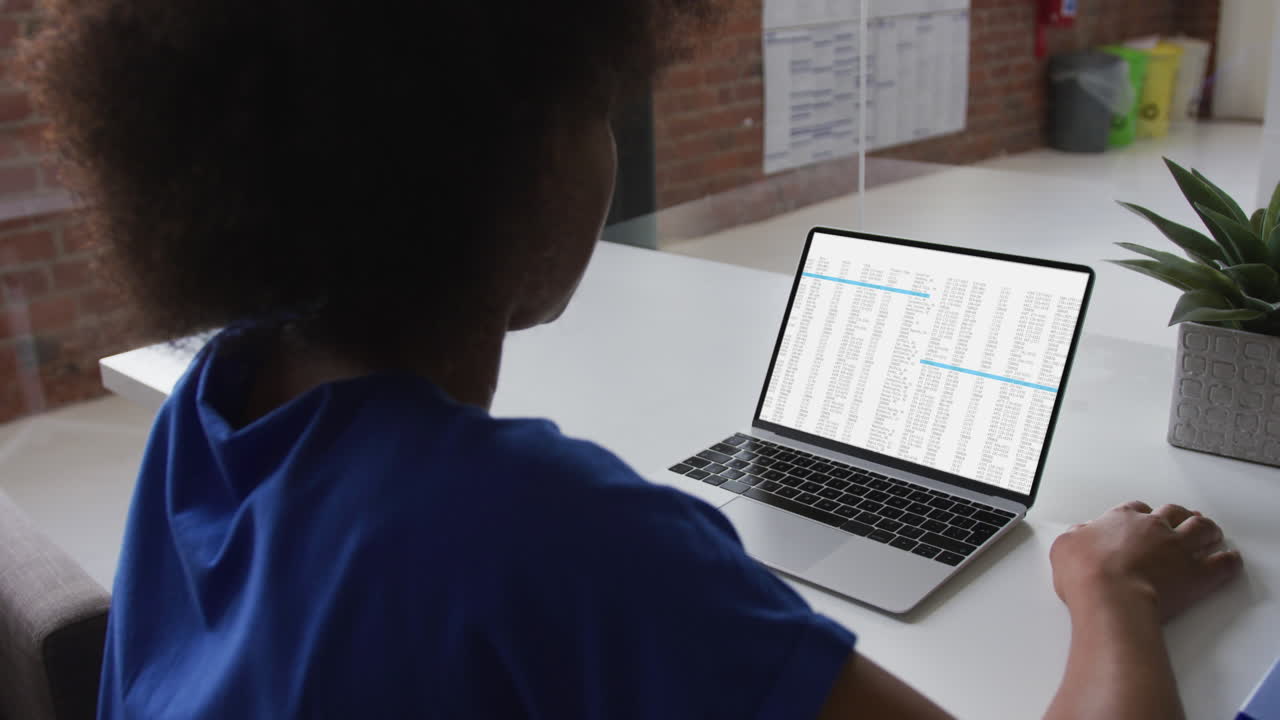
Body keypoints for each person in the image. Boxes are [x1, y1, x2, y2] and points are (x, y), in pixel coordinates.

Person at [25, 1, 1242, 718]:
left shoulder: (216, 403)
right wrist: (1108, 588)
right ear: (499, 162)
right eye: (593, 108)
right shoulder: (546, 527)